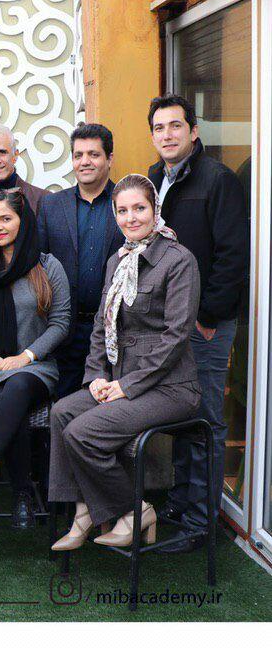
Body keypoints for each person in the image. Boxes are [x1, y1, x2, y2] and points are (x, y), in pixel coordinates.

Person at [48, 174, 201, 551]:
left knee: (83, 432)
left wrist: (126, 386)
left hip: (171, 388)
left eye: (139, 208)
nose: (131, 218)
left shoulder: (178, 260)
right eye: (122, 210)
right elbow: (102, 327)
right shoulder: (117, 260)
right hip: (119, 380)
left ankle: (135, 512)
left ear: (155, 210)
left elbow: (176, 337)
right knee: (62, 412)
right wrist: (97, 378)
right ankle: (84, 511)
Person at [145, 95, 249, 553]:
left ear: (193, 131)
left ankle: (200, 524)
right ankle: (182, 502)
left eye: (175, 126)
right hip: (169, 323)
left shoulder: (218, 180)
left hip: (204, 323)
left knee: (206, 420)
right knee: (182, 414)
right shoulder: (154, 178)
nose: (167, 134)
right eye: (159, 127)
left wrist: (208, 315)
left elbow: (233, 255)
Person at [0, 188, 70, 527]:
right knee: (10, 407)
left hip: (34, 367)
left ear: (24, 221)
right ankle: (23, 494)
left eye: (6, 218)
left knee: (17, 388)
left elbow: (61, 322)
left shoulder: (47, 266)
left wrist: (26, 356)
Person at [37, 122, 123, 399]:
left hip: (117, 330)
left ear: (109, 158)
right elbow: (39, 266)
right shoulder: (51, 205)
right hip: (65, 331)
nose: (85, 161)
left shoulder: (127, 205)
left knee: (110, 408)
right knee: (63, 406)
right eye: (78, 155)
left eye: (94, 154)